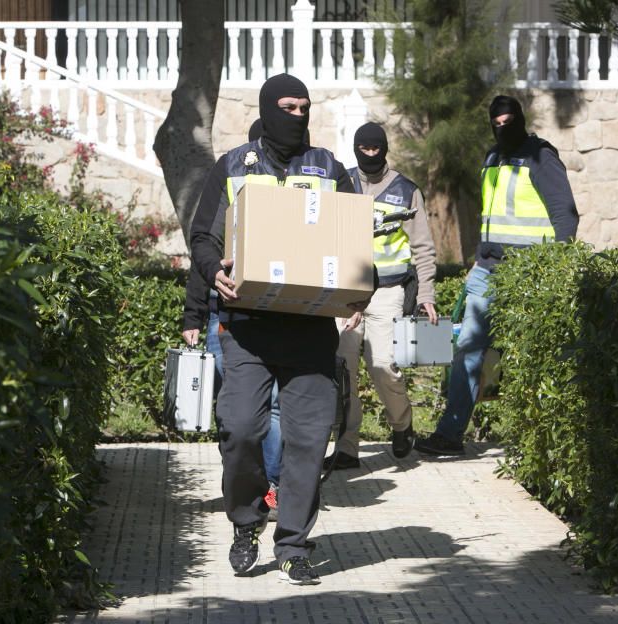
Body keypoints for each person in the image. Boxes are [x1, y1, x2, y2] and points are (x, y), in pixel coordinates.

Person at [190, 73, 359, 586]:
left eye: (305, 107)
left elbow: (354, 241)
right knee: (241, 430)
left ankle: (293, 544)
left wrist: (358, 290)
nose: (298, 116)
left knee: (309, 443)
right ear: (267, 109)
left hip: (310, 331)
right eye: (288, 106)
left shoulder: (329, 168)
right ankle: (246, 523)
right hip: (247, 330)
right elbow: (203, 235)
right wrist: (212, 271)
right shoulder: (234, 166)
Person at [415, 94, 579, 457]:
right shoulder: (492, 157)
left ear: (520, 119)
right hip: (487, 270)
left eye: (509, 121)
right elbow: (491, 216)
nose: (503, 128)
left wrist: (555, 267)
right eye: (497, 123)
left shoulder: (542, 157)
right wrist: (478, 258)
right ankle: (450, 434)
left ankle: (538, 445)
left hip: (528, 273)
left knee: (530, 355)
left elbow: (566, 216)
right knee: (468, 350)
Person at [182, 119, 283, 522]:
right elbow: (202, 258)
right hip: (225, 318)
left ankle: (271, 487)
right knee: (234, 412)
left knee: (274, 407)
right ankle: (242, 481)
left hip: (278, 316)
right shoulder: (231, 186)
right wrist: (194, 315)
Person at [325, 122, 438, 469]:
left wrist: (427, 295)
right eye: (364, 149)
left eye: (376, 149)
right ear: (356, 149)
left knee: (382, 365)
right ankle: (347, 447)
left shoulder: (406, 190)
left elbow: (423, 248)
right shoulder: (343, 185)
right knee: (342, 368)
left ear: (384, 149)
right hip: (347, 290)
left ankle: (402, 425)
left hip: (387, 291)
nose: (370, 155)